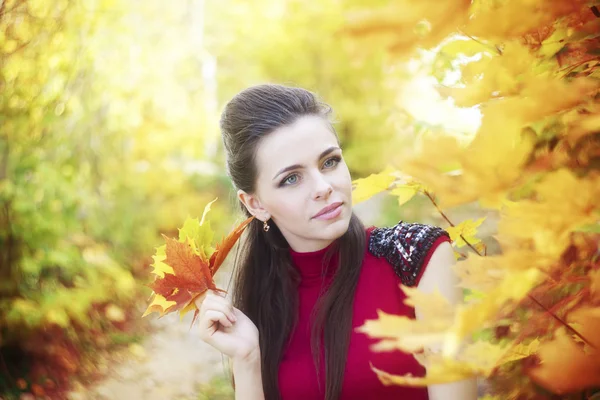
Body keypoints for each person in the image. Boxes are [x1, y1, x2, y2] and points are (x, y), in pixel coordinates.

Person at [195, 83, 478, 400]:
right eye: (291, 178)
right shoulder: (262, 301)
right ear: (256, 204)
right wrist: (247, 360)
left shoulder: (417, 257)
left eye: (329, 162)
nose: (323, 186)